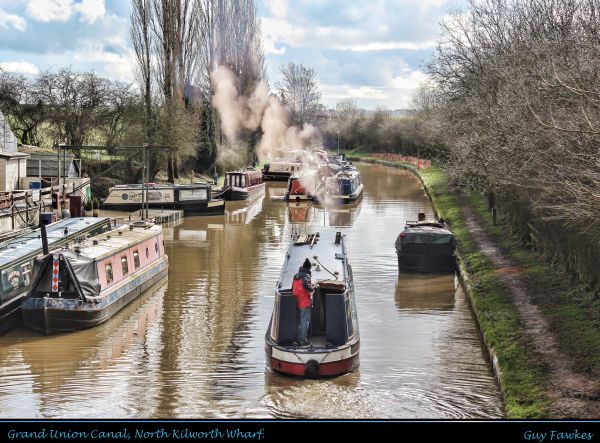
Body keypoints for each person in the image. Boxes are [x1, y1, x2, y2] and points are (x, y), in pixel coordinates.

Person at [292, 258, 314, 346]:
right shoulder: (306, 276)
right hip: (304, 301)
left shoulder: (296, 275)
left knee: (299, 321)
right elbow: (305, 285)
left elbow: (293, 287)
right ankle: (302, 340)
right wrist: (311, 288)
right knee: (305, 321)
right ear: (309, 268)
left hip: (296, 301)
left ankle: (297, 339)